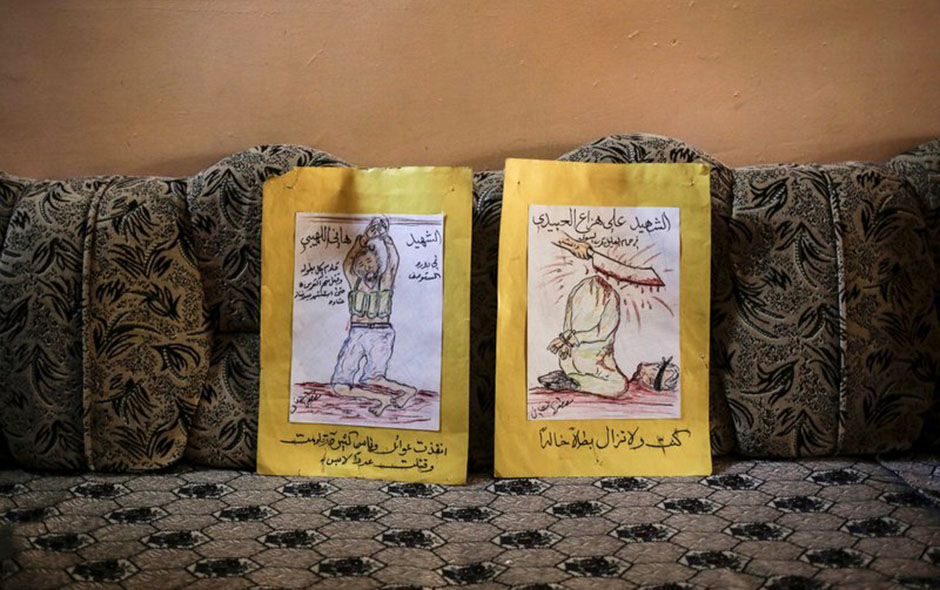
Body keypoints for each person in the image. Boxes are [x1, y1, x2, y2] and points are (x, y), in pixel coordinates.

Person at [539, 234, 663, 398]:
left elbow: (568, 322)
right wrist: (570, 340)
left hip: (567, 358)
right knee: (619, 386)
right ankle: (576, 383)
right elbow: (602, 332)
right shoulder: (610, 296)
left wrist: (566, 340)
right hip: (592, 363)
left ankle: (571, 378)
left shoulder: (579, 289)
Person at [331, 217, 417, 415]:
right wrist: (363, 239)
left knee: (373, 379)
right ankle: (384, 399)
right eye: (361, 265)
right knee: (340, 386)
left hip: (381, 334)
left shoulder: (385, 281)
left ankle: (407, 391)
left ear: (377, 263)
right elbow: (347, 263)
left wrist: (386, 238)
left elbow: (393, 262)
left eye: (369, 262)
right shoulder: (355, 282)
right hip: (357, 333)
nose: (366, 267)